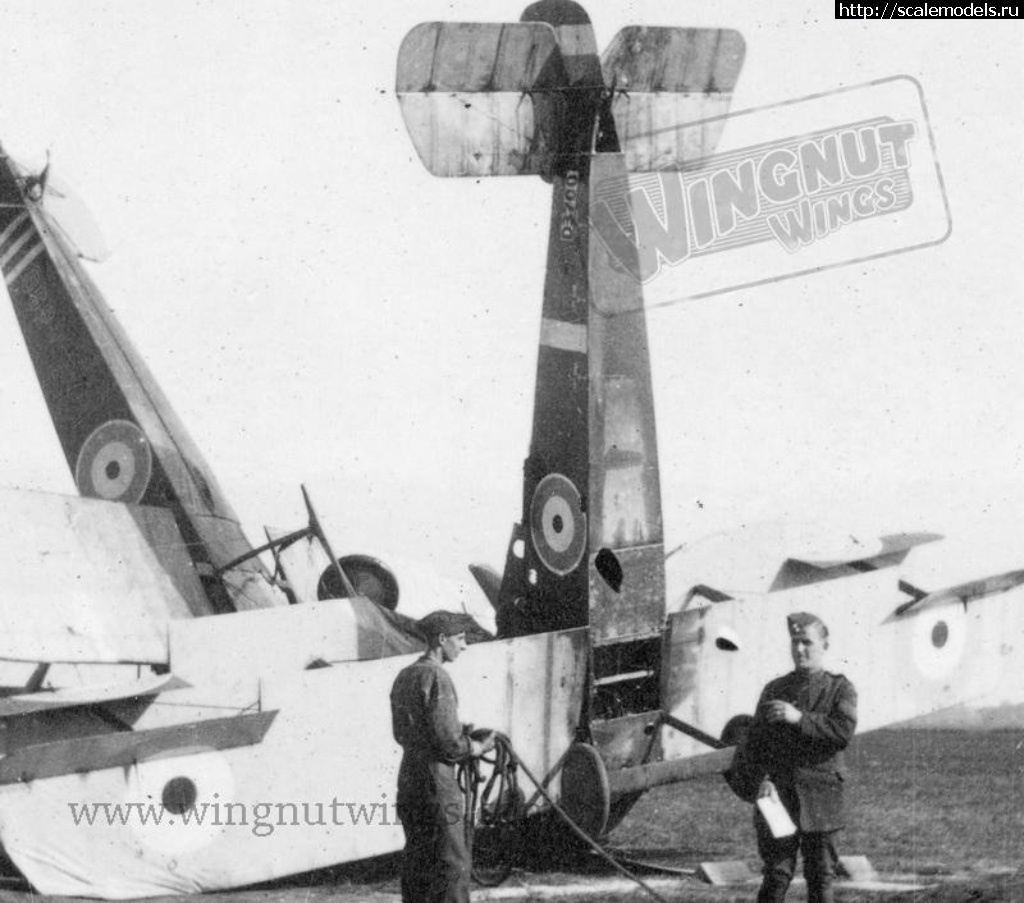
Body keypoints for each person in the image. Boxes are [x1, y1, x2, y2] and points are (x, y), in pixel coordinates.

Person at [725, 612, 858, 903]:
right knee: (776, 875)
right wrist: (762, 780)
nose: (800, 649)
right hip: (778, 797)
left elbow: (842, 732)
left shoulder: (840, 689)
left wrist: (799, 718)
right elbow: (755, 745)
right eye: (795, 642)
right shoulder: (775, 689)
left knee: (821, 878)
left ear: (824, 644)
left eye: (807, 642)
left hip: (821, 799)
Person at [390, 610, 495, 903]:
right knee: (452, 866)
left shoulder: (405, 675)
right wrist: (475, 747)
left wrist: (457, 732)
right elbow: (449, 745)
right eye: (460, 639)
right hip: (437, 783)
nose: (464, 646)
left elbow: (407, 731)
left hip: (409, 779)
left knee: (418, 864)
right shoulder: (437, 676)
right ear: (441, 639)